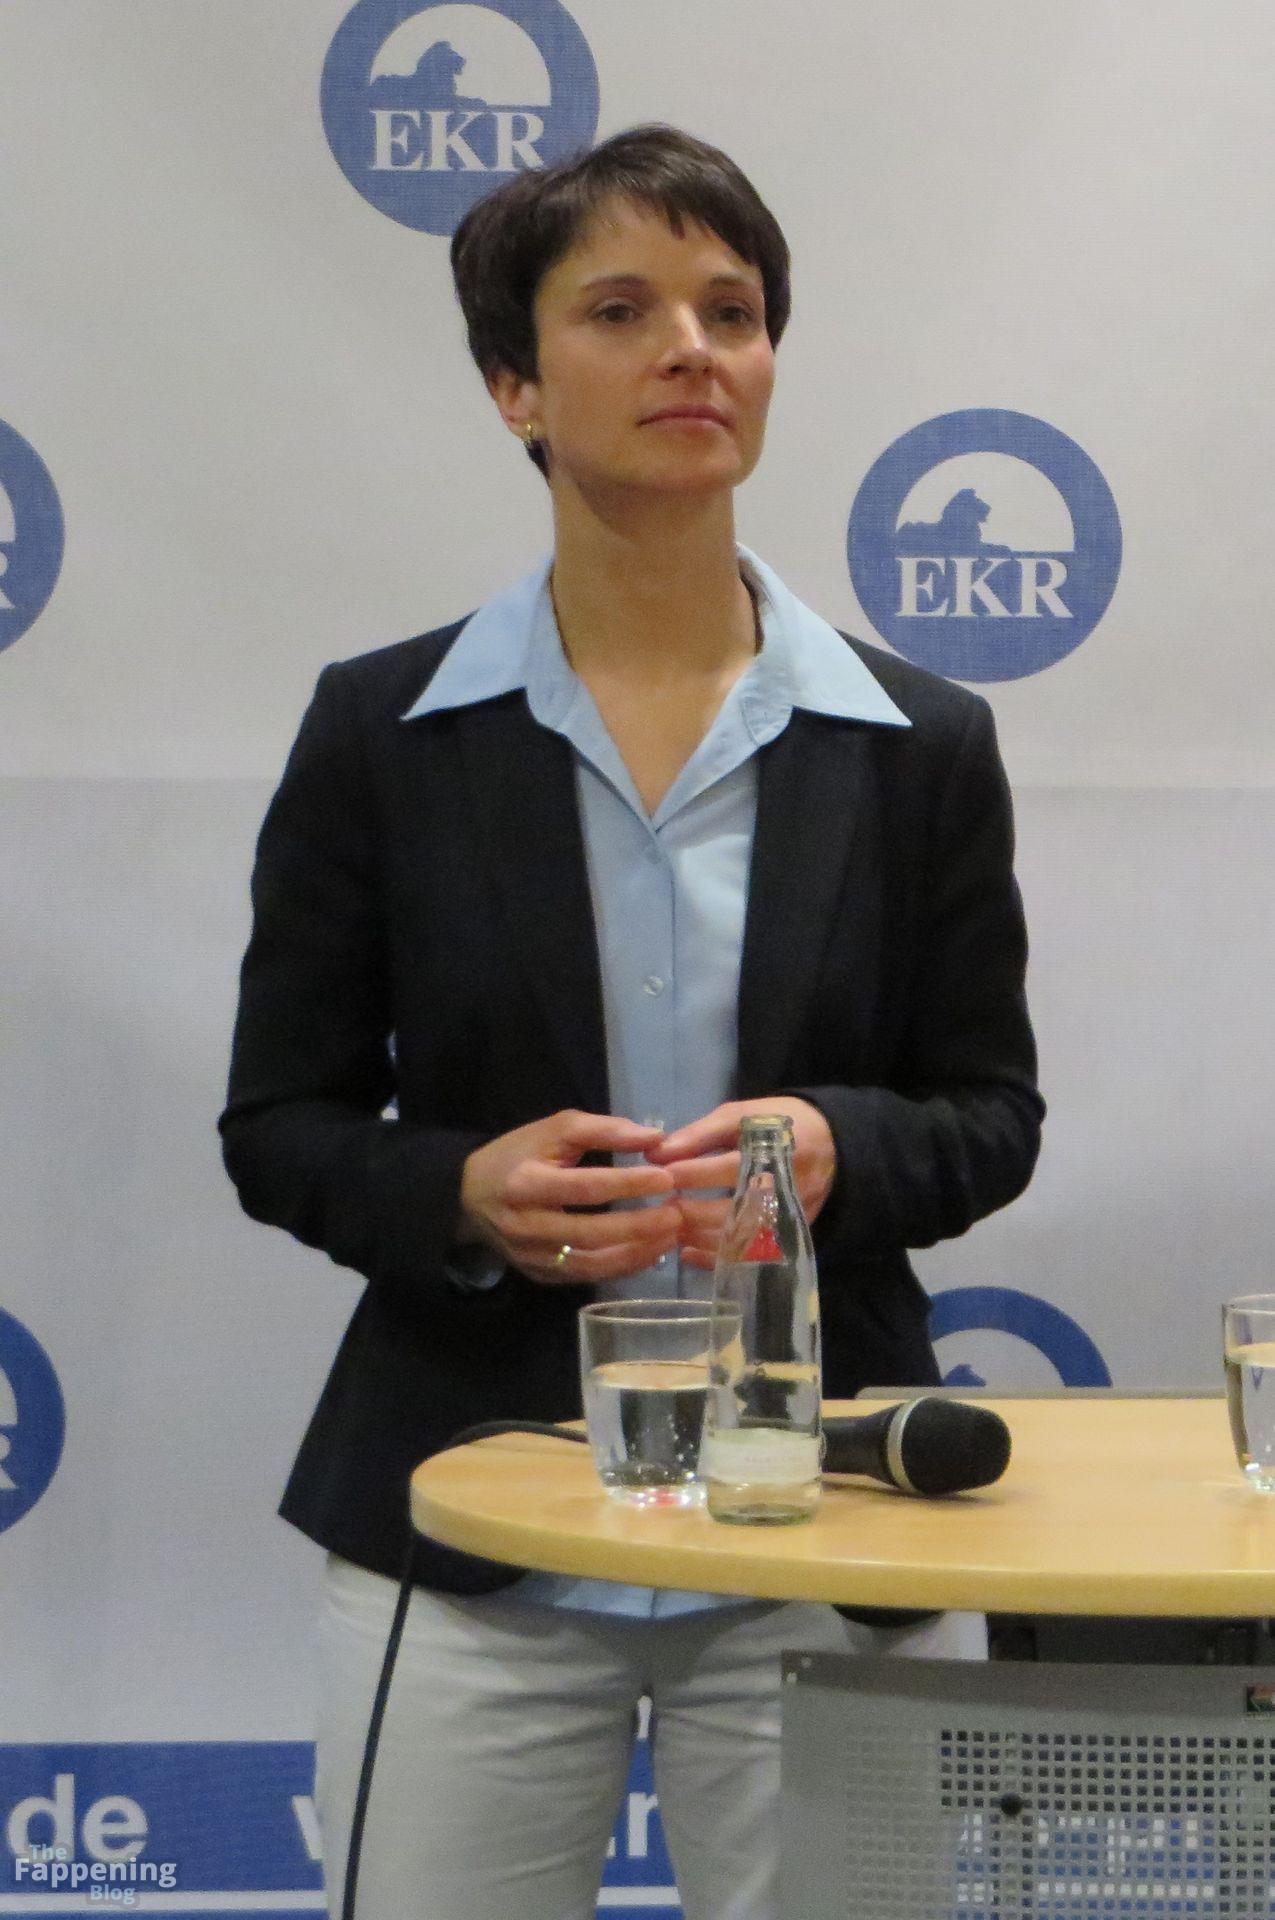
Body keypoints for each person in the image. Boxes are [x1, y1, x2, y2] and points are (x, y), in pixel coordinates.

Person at [220, 125, 1043, 1920]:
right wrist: (461, 1194)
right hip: (478, 1515)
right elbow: (278, 1125)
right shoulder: (382, 734)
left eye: (732, 312)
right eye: (622, 310)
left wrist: (837, 1148)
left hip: (832, 1518)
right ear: (514, 386)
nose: (692, 349)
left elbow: (990, 1113)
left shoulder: (921, 745)